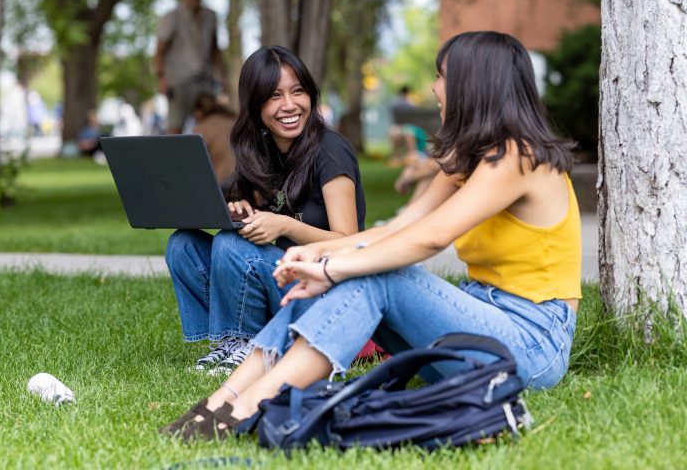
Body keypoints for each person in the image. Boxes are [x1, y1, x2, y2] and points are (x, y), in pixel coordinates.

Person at [161, 31, 581, 440]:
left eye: (441, 76)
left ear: (474, 84)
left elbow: (431, 237)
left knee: (375, 275)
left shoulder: (519, 156)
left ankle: (246, 409)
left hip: (531, 344)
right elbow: (396, 229)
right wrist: (316, 254)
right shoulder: (467, 160)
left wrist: (333, 268)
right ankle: (222, 401)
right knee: (356, 272)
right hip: (478, 326)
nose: (433, 87)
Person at [165, 45, 366, 377]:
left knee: (229, 245)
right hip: (281, 282)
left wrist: (284, 225)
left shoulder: (330, 150)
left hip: (323, 291)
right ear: (256, 104)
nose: (289, 105)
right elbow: (261, 220)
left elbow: (349, 242)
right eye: (275, 95)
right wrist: (241, 210)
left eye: (297, 91)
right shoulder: (260, 151)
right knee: (183, 245)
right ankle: (229, 341)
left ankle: (251, 344)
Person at [153, 0, 228, 134]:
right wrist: (161, 79)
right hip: (179, 81)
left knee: (210, 125)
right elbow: (159, 51)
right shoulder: (171, 17)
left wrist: (223, 76)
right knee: (175, 128)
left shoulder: (211, 16)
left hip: (205, 79)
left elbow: (215, 49)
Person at [190, 92, 236, 193]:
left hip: (224, 182)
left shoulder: (200, 129)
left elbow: (194, 165)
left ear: (198, 111)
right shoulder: (233, 120)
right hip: (246, 176)